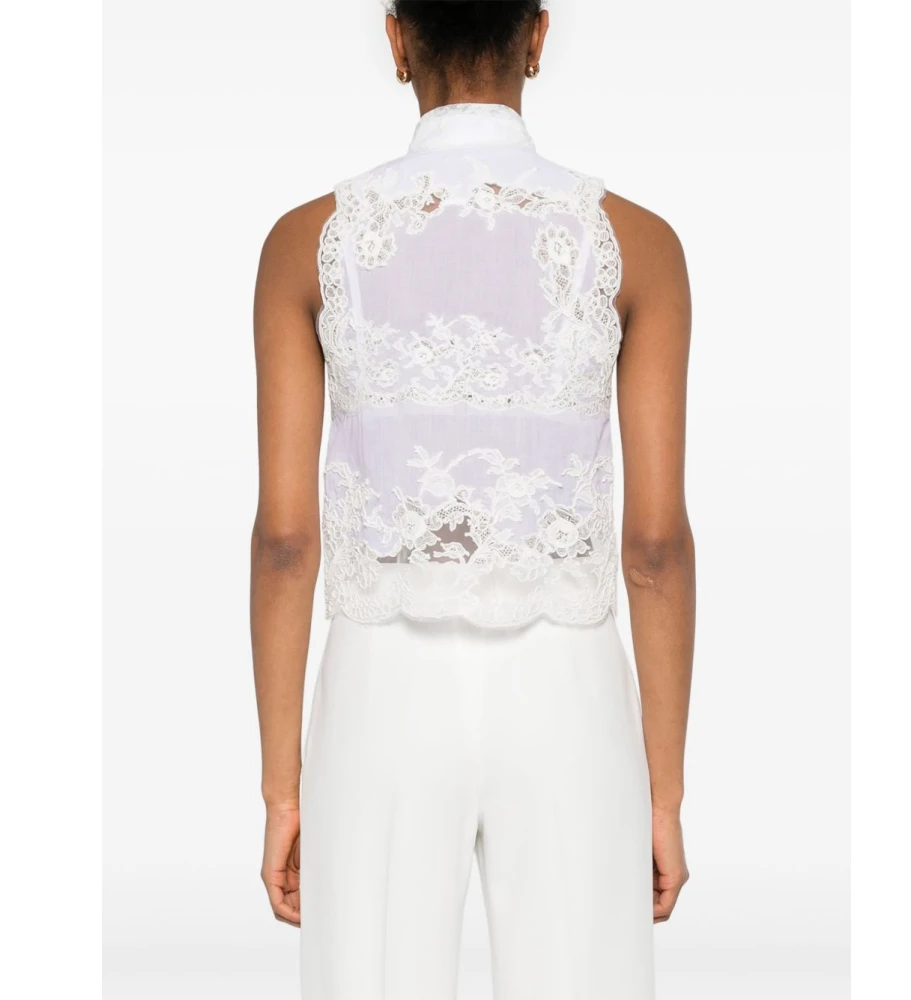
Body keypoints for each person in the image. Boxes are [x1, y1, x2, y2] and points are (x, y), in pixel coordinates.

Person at [250, 2, 695, 996]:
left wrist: (284, 791)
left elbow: (284, 540)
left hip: (381, 684)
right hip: (568, 684)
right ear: (537, 37)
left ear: (396, 40)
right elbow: (655, 547)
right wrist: (661, 794)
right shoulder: (636, 244)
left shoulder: (307, 245)